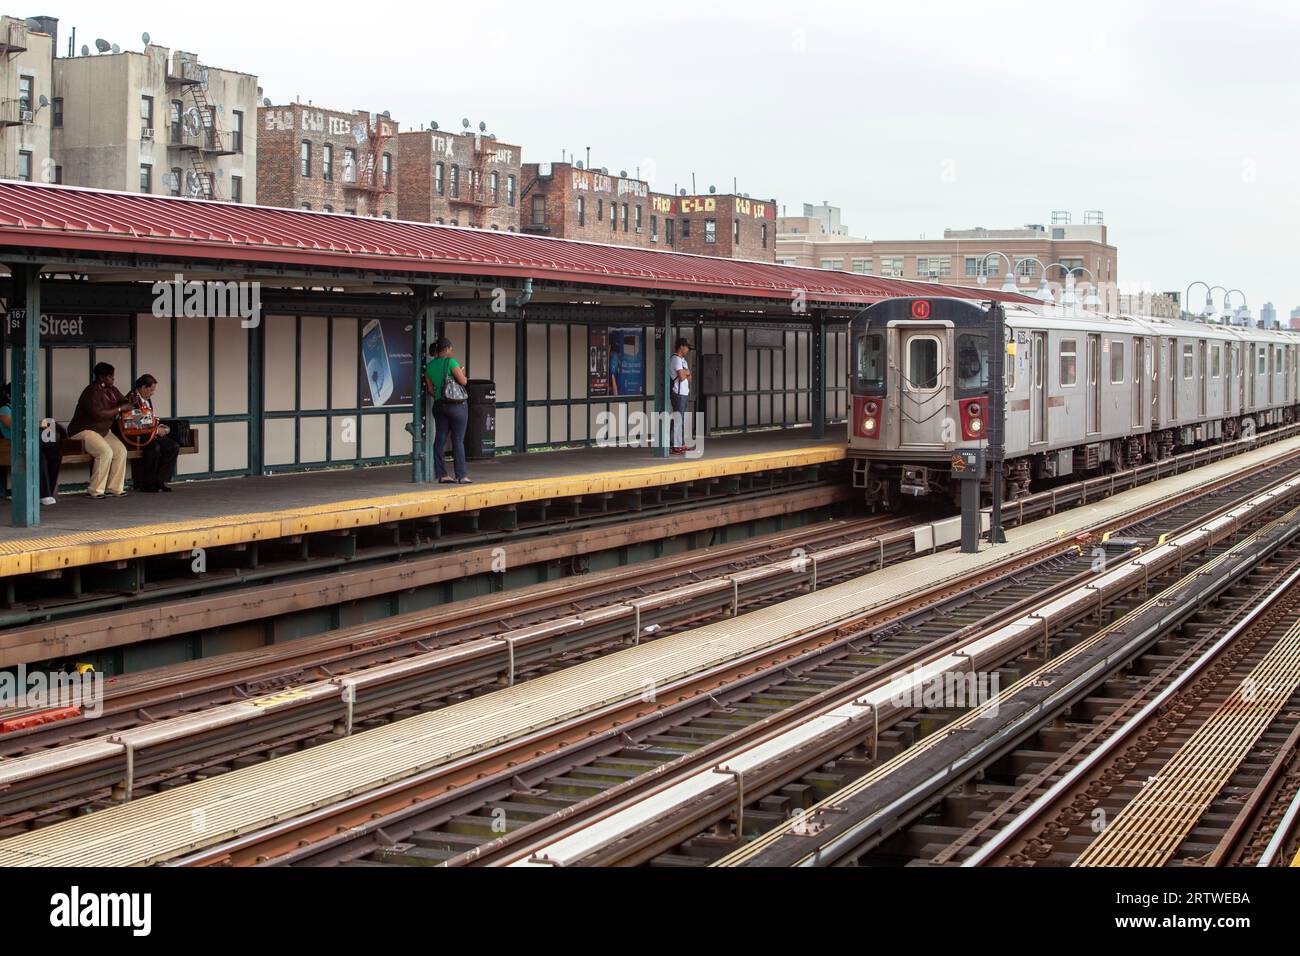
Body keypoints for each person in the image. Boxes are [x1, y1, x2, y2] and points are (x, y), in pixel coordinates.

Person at [67, 363, 132, 499]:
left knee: (121, 451)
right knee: (104, 452)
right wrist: (119, 408)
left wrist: (130, 401)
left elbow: (125, 401)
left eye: (113, 376)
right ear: (102, 377)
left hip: (102, 431)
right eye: (110, 377)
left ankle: (115, 488)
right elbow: (98, 414)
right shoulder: (91, 391)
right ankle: (95, 490)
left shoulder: (112, 390)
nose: (113, 379)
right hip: (84, 430)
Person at [0, 383, 62, 507]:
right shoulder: (5, 409)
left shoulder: (24, 409)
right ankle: (43, 495)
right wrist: (36, 424)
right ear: (9, 396)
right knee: (42, 452)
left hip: (30, 440)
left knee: (52, 452)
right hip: (14, 443)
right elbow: (12, 425)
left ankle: (47, 491)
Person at [424, 337, 471, 484]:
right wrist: (462, 372)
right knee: (458, 439)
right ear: (447, 348)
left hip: (439, 405)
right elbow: (463, 381)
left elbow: (431, 390)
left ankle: (442, 475)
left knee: (440, 439)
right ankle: (461, 475)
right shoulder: (451, 362)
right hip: (456, 406)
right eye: (450, 348)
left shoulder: (429, 367)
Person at [126, 374, 180, 493]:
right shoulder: (132, 398)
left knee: (173, 446)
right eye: (151, 390)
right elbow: (133, 421)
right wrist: (156, 430)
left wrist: (158, 427)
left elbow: (148, 417)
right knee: (154, 448)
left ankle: (160, 480)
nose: (152, 393)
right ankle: (148, 483)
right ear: (143, 387)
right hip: (137, 435)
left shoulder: (146, 398)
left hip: (150, 432)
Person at [670, 338, 692, 454]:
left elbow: (689, 377)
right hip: (678, 393)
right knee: (678, 419)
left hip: (684, 392)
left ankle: (681, 443)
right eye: (687, 347)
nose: (688, 349)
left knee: (682, 419)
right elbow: (683, 377)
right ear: (681, 347)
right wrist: (686, 372)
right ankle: (673, 444)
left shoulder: (683, 360)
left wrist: (686, 372)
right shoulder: (676, 359)